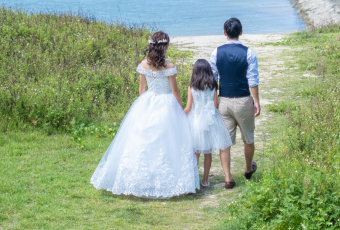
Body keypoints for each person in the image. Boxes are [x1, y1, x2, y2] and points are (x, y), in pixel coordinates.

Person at [90, 31, 200, 198]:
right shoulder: (169, 67)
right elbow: (175, 91)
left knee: (143, 141)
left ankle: (141, 180)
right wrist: (180, 109)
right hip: (166, 102)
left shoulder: (144, 64)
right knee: (167, 142)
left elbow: (141, 90)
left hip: (147, 101)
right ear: (166, 46)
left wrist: (144, 107)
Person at [209, 17, 261, 189]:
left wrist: (214, 101)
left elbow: (213, 80)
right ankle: (247, 169)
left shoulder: (216, 52)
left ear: (224, 33)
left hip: (224, 100)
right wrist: (256, 101)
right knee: (248, 138)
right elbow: (252, 80)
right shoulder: (249, 53)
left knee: (225, 141)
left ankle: (228, 178)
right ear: (241, 32)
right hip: (243, 99)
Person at [183, 59, 233, 187]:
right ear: (208, 71)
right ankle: (205, 180)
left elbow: (189, 107)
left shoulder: (192, 87)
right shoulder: (213, 85)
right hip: (211, 120)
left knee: (196, 152)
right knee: (208, 152)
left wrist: (179, 114)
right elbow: (215, 105)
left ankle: (194, 181)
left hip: (196, 120)